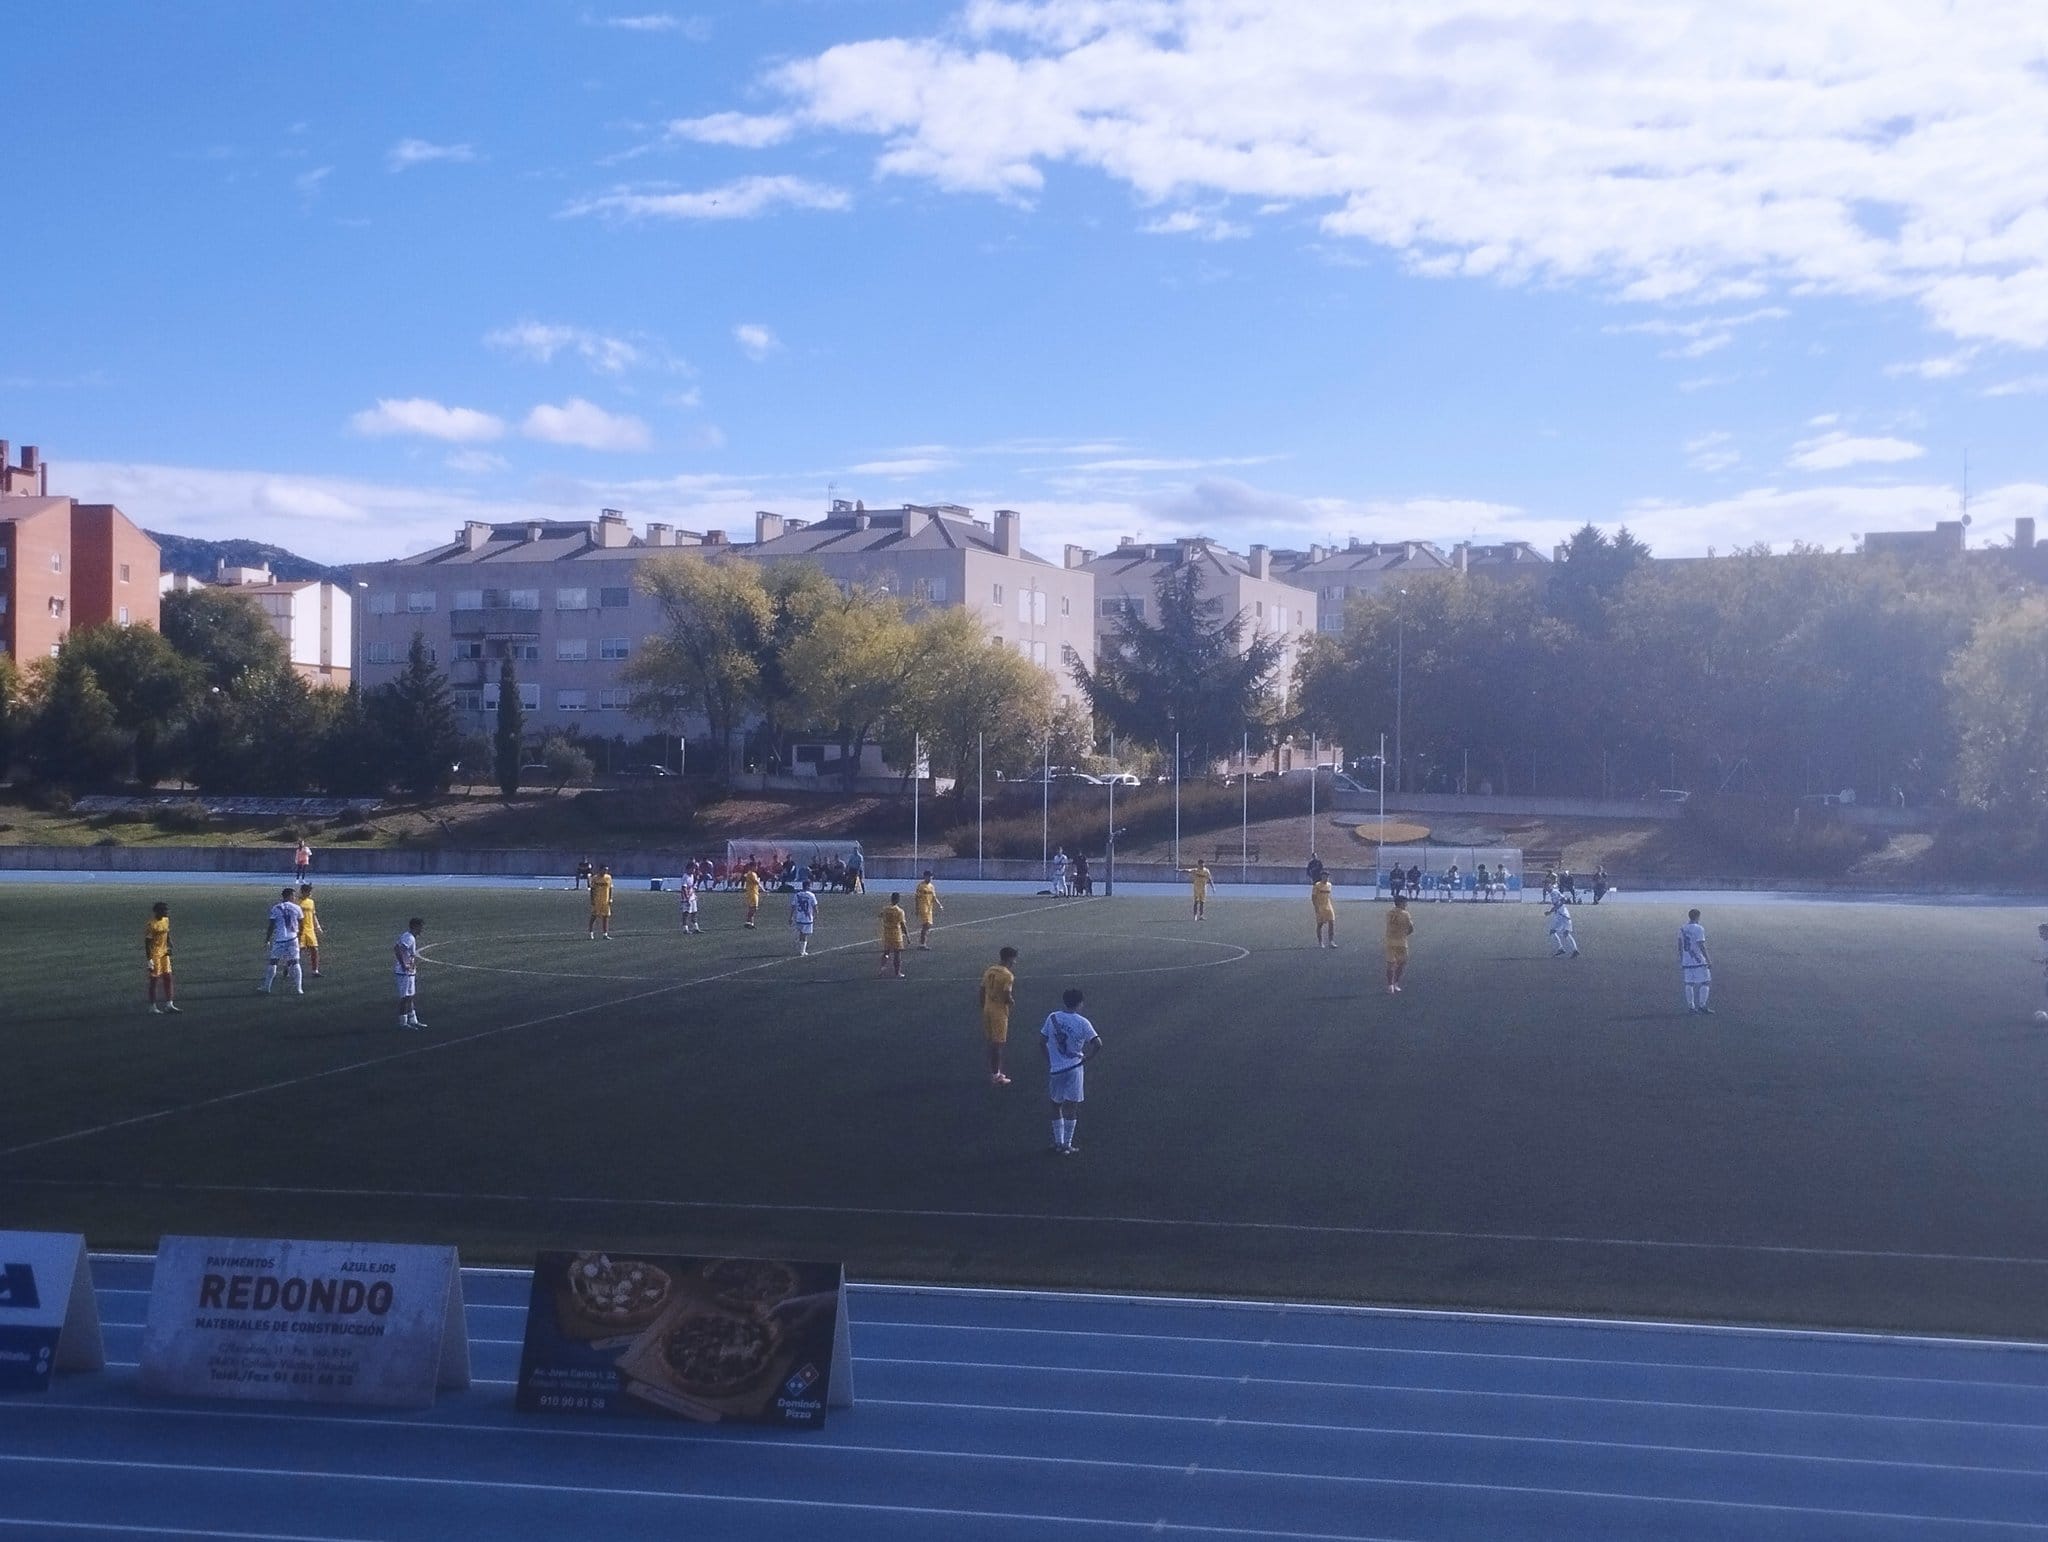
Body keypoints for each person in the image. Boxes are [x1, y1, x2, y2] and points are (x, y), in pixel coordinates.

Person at [1040, 986, 1101, 1156]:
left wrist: (1051, 1060)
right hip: (1074, 1069)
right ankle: (1067, 1144)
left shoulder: (1052, 1018)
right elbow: (1098, 1043)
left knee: (1055, 1104)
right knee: (1071, 1107)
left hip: (1056, 1070)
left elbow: (1042, 1041)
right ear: (1080, 1003)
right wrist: (1087, 1058)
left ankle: (1058, 1142)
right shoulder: (1082, 1022)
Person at [980, 945, 1019, 1085]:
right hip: (999, 1012)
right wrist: (1011, 1001)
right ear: (1010, 959)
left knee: (992, 1042)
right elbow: (1007, 993)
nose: (1014, 962)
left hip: (987, 1008)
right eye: (1014, 960)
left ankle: (994, 1070)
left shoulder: (990, 970)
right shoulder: (1008, 975)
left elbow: (982, 989)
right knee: (998, 1044)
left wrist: (983, 1005)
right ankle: (996, 1075)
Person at [259, 887, 304, 996]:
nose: (295, 897)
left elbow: (271, 926)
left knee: (273, 962)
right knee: (295, 962)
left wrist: (267, 939)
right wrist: (299, 935)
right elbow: (302, 924)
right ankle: (299, 988)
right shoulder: (297, 908)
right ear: (289, 896)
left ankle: (267, 986)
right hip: (293, 938)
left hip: (280, 939)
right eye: (293, 896)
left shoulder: (275, 908)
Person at [144, 901, 181, 1015]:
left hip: (164, 953)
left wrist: (169, 942)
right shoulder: (151, 924)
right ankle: (152, 1006)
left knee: (168, 977)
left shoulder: (166, 920)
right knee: (154, 980)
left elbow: (167, 932)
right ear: (158, 911)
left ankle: (169, 1004)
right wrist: (149, 959)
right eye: (164, 910)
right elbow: (147, 942)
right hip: (155, 954)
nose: (167, 912)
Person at [1679, 908, 1714, 1014]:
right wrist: (1708, 959)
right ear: (1698, 916)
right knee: (1705, 981)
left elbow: (1679, 945)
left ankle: (1691, 1007)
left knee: (1689, 983)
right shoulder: (1699, 929)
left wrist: (1682, 959)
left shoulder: (1682, 928)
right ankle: (1702, 1005)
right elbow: (1701, 945)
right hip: (1698, 959)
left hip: (1687, 959)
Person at [394, 916, 425, 1030]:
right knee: (405, 998)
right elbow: (398, 949)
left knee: (410, 996)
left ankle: (414, 1021)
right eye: (421, 927)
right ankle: (403, 1023)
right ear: (416, 926)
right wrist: (404, 965)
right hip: (404, 973)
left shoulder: (410, 937)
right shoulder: (409, 938)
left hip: (409, 972)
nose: (422, 930)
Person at [1384, 894, 1414, 993]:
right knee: (1402, 963)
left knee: (1390, 964)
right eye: (1405, 903)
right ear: (1401, 903)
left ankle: (1390, 985)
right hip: (1401, 941)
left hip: (1389, 941)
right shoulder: (1405, 914)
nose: (1406, 905)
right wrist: (1405, 933)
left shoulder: (1389, 913)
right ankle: (1395, 983)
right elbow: (1411, 928)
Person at [297, 882, 324, 978]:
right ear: (303, 892)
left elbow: (313, 915)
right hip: (300, 930)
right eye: (308, 892)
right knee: (299, 950)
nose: (309, 894)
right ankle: (288, 967)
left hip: (310, 929)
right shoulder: (297, 902)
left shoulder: (311, 902)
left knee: (314, 949)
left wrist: (318, 927)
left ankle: (315, 970)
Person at [878, 893, 908, 977]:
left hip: (887, 933)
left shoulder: (885, 909)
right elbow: (903, 924)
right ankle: (897, 972)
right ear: (898, 900)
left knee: (886, 952)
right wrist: (907, 935)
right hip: (896, 934)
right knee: (897, 953)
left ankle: (882, 968)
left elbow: (880, 915)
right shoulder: (899, 911)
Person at [914, 871, 943, 948]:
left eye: (931, 877)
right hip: (923, 908)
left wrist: (939, 904)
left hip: (929, 908)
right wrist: (917, 909)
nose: (930, 878)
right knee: (926, 925)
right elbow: (916, 898)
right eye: (928, 876)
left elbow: (934, 897)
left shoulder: (931, 886)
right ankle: (922, 944)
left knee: (928, 925)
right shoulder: (921, 886)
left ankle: (922, 943)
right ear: (925, 877)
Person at [790, 881, 818, 956]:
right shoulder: (811, 895)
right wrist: (816, 914)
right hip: (807, 918)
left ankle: (801, 949)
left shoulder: (797, 895)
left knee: (801, 933)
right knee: (804, 934)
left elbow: (793, 906)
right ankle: (802, 951)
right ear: (808, 886)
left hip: (799, 917)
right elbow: (815, 906)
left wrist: (791, 916)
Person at [588, 863, 614, 941]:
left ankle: (605, 934)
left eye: (606, 870)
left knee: (605, 917)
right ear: (600, 870)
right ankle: (590, 932)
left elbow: (610, 889)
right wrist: (592, 899)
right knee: (594, 916)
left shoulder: (608, 878)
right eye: (604, 870)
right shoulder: (595, 878)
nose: (605, 871)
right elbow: (592, 890)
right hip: (597, 900)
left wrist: (610, 898)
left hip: (605, 900)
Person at [1312, 872, 1336, 949]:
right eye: (1324, 877)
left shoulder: (1329, 885)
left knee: (1331, 923)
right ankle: (1320, 942)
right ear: (1322, 877)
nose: (1326, 878)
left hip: (1328, 906)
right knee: (1320, 925)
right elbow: (1313, 897)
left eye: (1327, 877)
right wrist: (1316, 907)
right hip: (1320, 907)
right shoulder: (1317, 885)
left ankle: (1331, 941)